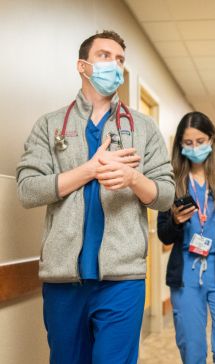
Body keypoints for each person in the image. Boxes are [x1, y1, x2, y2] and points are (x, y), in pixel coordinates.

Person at [16, 30, 174, 363]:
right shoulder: (50, 125)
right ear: (83, 65)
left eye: (120, 60)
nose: (114, 66)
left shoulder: (143, 128)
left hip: (122, 279)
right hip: (63, 278)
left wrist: (133, 178)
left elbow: (166, 196)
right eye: (105, 56)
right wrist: (89, 170)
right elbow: (28, 189)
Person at [157, 111, 215, 364]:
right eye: (188, 143)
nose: (195, 148)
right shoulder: (171, 179)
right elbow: (163, 234)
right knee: (193, 351)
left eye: (200, 141)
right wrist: (176, 220)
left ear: (211, 140)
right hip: (186, 273)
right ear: (180, 145)